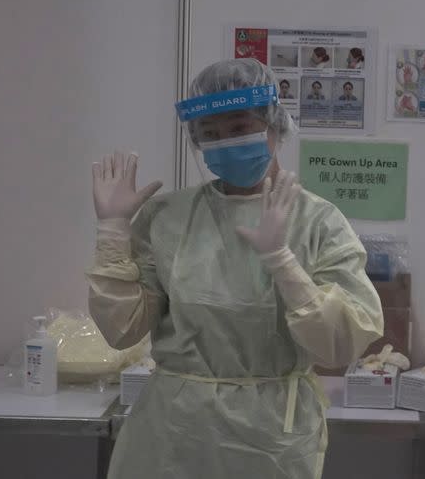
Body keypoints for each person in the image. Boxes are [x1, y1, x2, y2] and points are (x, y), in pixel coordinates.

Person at [86, 58, 384, 479]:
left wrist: (283, 263)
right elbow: (122, 330)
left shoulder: (319, 222)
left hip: (269, 438)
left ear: (275, 126)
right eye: (210, 134)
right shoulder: (170, 217)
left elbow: (340, 346)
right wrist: (113, 230)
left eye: (240, 127)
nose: (226, 141)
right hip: (173, 434)